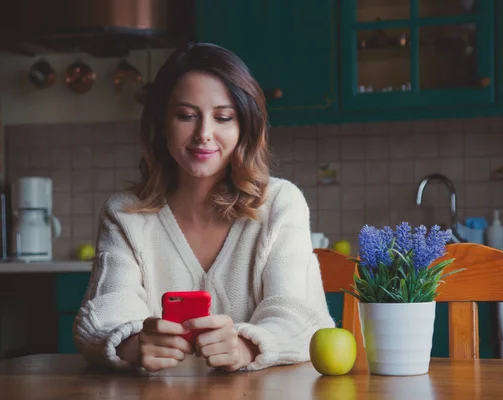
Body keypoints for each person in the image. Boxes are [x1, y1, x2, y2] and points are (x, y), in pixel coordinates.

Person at [73, 42, 335, 373]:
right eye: (186, 116)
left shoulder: (281, 204)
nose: (204, 134)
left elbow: (299, 315)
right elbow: (105, 313)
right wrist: (131, 343)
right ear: (162, 122)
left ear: (244, 127)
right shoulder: (124, 214)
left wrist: (245, 346)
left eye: (223, 117)